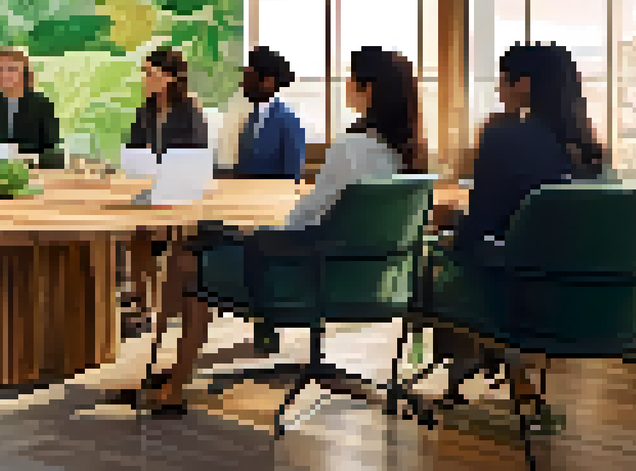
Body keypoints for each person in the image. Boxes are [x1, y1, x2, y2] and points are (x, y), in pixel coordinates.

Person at [116, 46, 427, 417]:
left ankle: (173, 384)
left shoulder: (350, 149)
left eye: (352, 78)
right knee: (203, 250)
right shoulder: (409, 156)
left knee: (186, 259)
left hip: (302, 278)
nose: (347, 84)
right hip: (374, 284)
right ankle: (172, 373)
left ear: (369, 89)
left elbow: (302, 221)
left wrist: (255, 233)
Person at [430, 42, 605, 418]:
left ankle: (467, 372)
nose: (498, 90)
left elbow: (480, 228)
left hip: (525, 297)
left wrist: (450, 226)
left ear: (522, 84)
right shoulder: (590, 149)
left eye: (503, 81)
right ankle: (507, 371)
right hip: (590, 302)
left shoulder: (504, 137)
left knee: (443, 260)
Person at [124, 48, 208, 335]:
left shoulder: (190, 111)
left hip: (181, 188)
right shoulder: (145, 110)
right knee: (136, 232)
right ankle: (141, 303)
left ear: (169, 78)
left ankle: (162, 305)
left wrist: (161, 164)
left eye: (150, 73)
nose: (145, 79)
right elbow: (135, 146)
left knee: (164, 233)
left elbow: (195, 154)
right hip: (152, 186)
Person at [230, 46, 307, 180]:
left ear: (268, 81)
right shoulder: (250, 119)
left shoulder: (289, 121)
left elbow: (292, 173)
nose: (242, 84)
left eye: (248, 77)